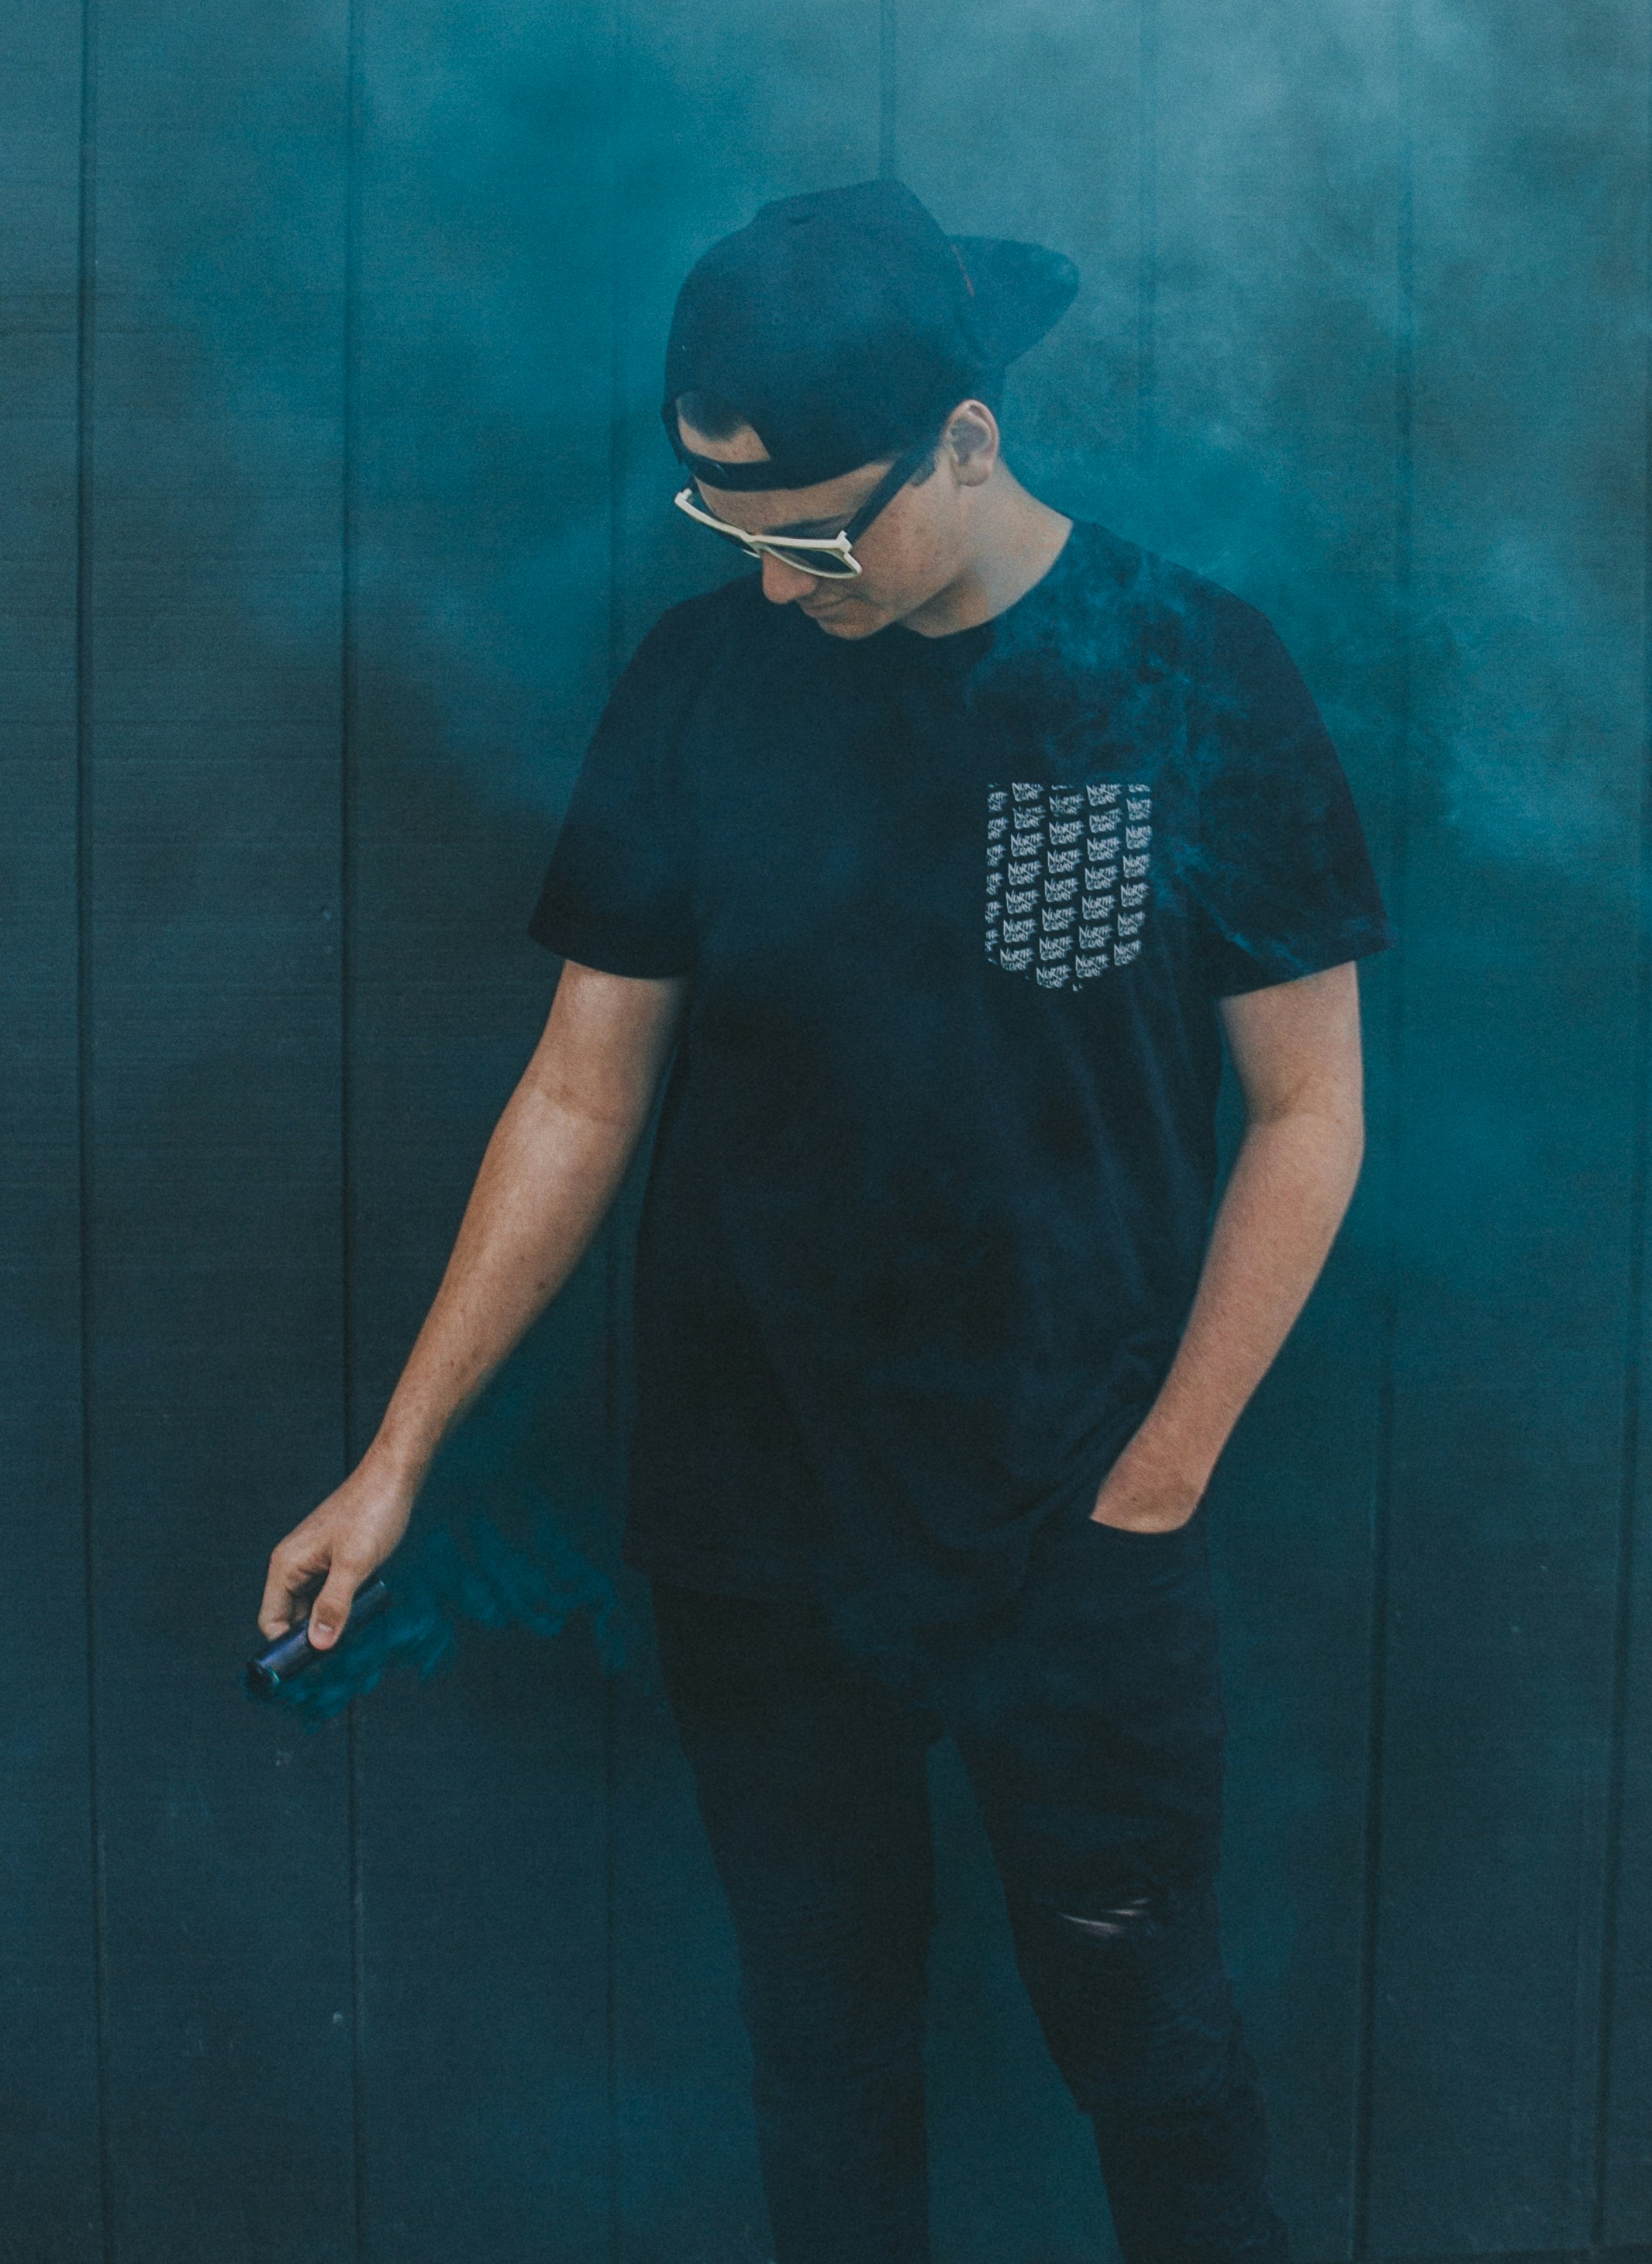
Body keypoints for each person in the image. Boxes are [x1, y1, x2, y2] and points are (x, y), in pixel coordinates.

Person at [260, 178, 1391, 2264]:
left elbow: (1309, 1113)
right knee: (823, 2052)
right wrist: (397, 1456)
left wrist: (1162, 1469)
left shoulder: (1189, 669)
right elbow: (581, 1090)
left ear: (966, 438)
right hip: (761, 1519)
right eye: (730, 527)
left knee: (1155, 2051)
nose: (773, 582)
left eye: (814, 536)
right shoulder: (707, 679)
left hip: (1072, 1514)